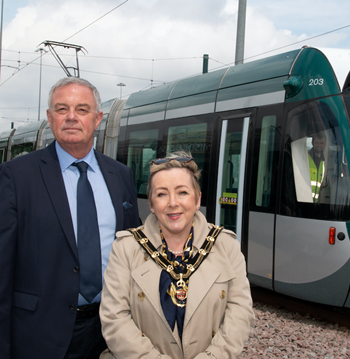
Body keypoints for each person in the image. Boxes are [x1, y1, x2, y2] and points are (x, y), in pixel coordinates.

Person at [0, 77, 141, 359]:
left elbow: (134, 252)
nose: (72, 117)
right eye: (62, 109)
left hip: (109, 330)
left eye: (82, 109)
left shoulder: (121, 176)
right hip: (39, 333)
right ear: (50, 118)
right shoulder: (16, 176)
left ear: (98, 118)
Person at [100, 152, 254, 359]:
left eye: (182, 192)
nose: (173, 203)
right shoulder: (126, 249)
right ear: (151, 205)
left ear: (197, 199)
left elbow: (240, 312)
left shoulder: (226, 245)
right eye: (162, 194)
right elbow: (115, 319)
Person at [308, 132, 327, 201]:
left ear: (325, 144)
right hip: (304, 202)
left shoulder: (323, 161)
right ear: (312, 143)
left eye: (322, 143)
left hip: (315, 203)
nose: (319, 145)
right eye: (317, 143)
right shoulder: (305, 159)